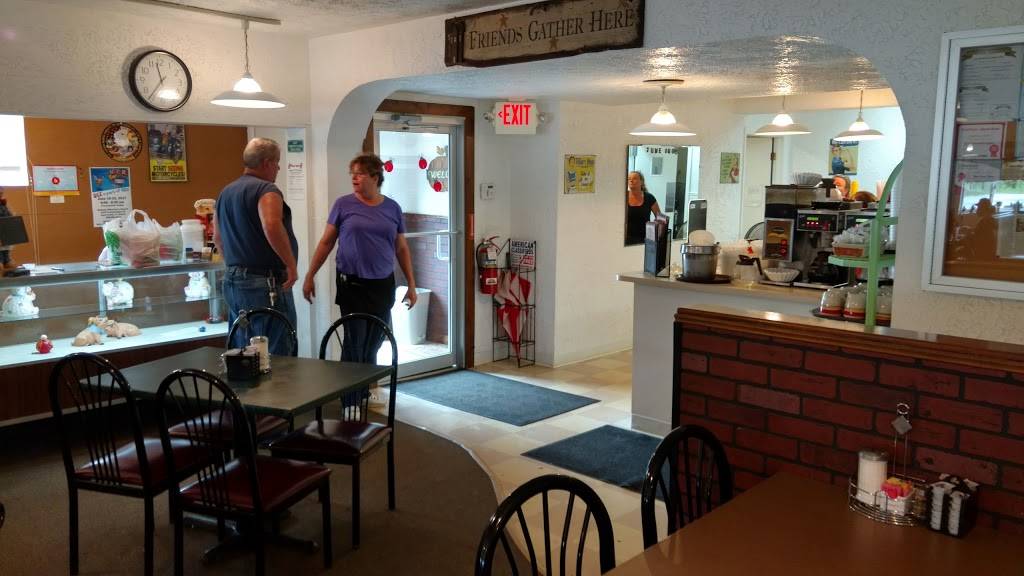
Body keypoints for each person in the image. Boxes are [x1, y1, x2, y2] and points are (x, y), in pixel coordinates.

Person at [303, 153, 418, 363]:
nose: (354, 178)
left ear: (375, 177)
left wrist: (411, 284)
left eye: (360, 174)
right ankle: (350, 386)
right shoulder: (343, 205)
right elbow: (326, 242)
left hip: (382, 284)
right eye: (353, 174)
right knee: (355, 342)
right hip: (352, 284)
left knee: (374, 344)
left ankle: (365, 384)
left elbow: (401, 248)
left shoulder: (392, 208)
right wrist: (310, 275)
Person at [213, 137, 299, 355]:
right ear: (267, 163)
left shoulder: (225, 193)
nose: (278, 168)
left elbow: (217, 238)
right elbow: (271, 225)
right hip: (265, 283)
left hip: (233, 282)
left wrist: (234, 266)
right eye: (277, 162)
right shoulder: (266, 190)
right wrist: (290, 265)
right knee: (277, 351)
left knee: (243, 351)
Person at [624, 171, 662, 245]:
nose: (631, 180)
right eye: (629, 179)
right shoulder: (623, 196)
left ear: (641, 182)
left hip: (645, 239)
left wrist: (656, 234)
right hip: (625, 240)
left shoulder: (649, 197)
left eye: (634, 178)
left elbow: (660, 219)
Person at [0, 187, 15, 270]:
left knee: (9, 263)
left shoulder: (3, 204)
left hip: (5, 236)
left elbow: (11, 216)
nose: (1, 194)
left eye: (1, 193)